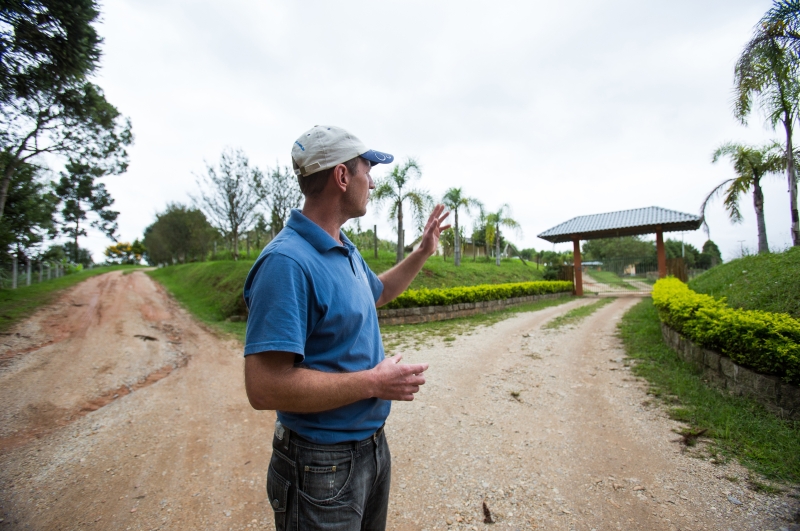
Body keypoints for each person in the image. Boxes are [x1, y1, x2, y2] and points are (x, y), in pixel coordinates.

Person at [242, 125, 450, 530]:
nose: (371, 181)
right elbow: (264, 386)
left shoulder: (341, 245)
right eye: (366, 170)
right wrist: (373, 382)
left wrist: (422, 251)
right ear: (341, 176)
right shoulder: (287, 263)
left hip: (370, 450)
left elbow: (379, 292)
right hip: (320, 465)